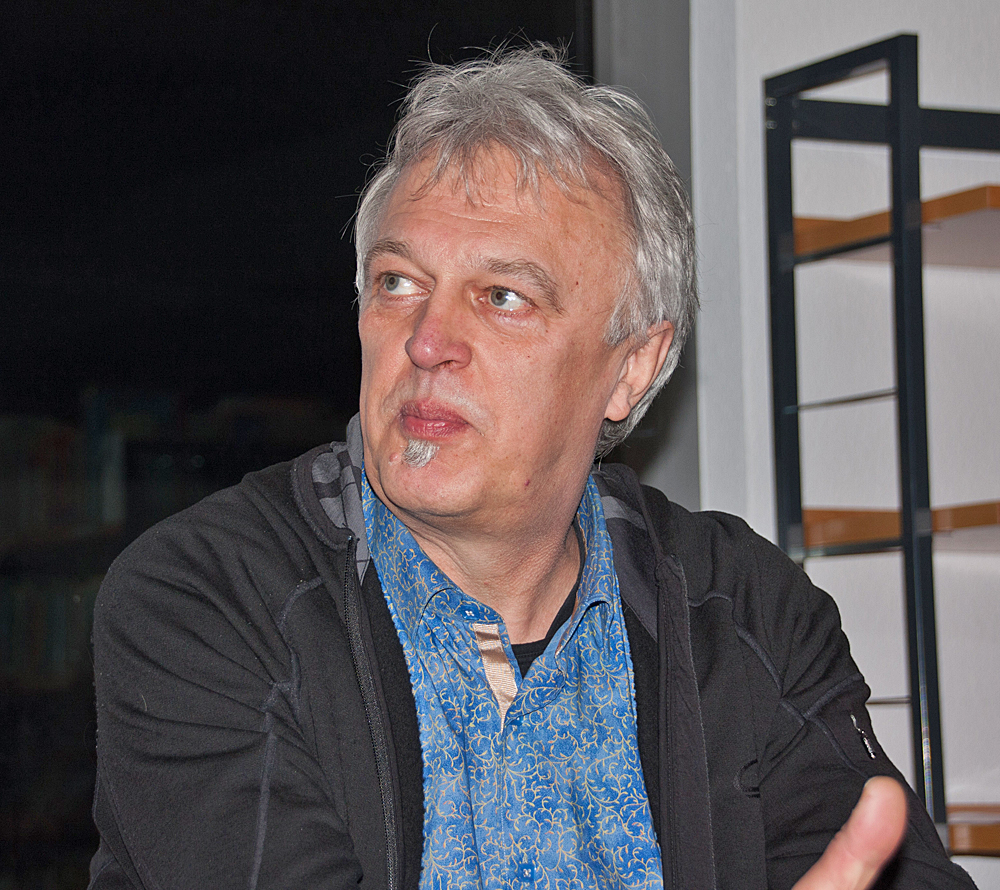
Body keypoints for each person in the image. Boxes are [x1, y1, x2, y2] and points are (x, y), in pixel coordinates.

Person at [88, 47, 975, 890]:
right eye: (397, 282)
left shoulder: (743, 610)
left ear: (631, 367)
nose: (427, 341)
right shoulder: (206, 600)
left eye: (503, 297)